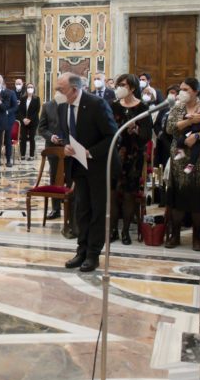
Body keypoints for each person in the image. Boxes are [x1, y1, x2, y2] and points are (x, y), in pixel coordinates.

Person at [53, 74, 118, 273]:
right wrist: (65, 147)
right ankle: (81, 251)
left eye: (61, 89)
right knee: (82, 210)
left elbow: (112, 136)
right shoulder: (63, 106)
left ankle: (93, 254)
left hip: (99, 165)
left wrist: (90, 152)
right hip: (78, 166)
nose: (57, 92)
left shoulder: (96, 104)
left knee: (97, 211)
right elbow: (68, 134)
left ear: (73, 89)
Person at [165, 78, 200, 251]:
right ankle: (175, 235)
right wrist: (190, 121)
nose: (182, 91)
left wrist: (198, 136)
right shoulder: (178, 107)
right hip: (180, 157)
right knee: (179, 196)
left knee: (199, 197)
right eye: (181, 88)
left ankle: (197, 237)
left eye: (186, 89)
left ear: (196, 91)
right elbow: (170, 129)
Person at [109, 74, 151, 245]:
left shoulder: (142, 108)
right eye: (118, 84)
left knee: (128, 195)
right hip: (115, 154)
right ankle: (113, 230)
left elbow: (146, 136)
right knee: (112, 194)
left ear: (132, 88)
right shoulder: (113, 106)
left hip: (133, 156)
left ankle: (126, 231)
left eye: (123, 85)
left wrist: (135, 130)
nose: (119, 87)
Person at [37, 90, 68, 222]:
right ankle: (55, 208)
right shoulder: (47, 106)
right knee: (55, 176)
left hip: (69, 147)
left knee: (71, 176)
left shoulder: (70, 105)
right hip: (53, 147)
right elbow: (41, 128)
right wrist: (51, 137)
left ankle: (70, 207)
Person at [173, 105, 200, 174]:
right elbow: (185, 117)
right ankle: (180, 152)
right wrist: (187, 116)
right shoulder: (194, 117)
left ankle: (191, 165)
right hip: (189, 133)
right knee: (180, 140)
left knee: (196, 151)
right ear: (196, 113)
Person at [18, 82, 40, 160]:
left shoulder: (37, 98)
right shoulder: (22, 98)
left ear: (33, 89)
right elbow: (19, 110)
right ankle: (23, 155)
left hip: (33, 121)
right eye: (28, 87)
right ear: (26, 89)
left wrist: (29, 119)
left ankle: (31, 155)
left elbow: (37, 111)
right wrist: (23, 119)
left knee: (31, 138)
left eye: (31, 87)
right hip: (24, 121)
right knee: (23, 138)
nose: (30, 89)